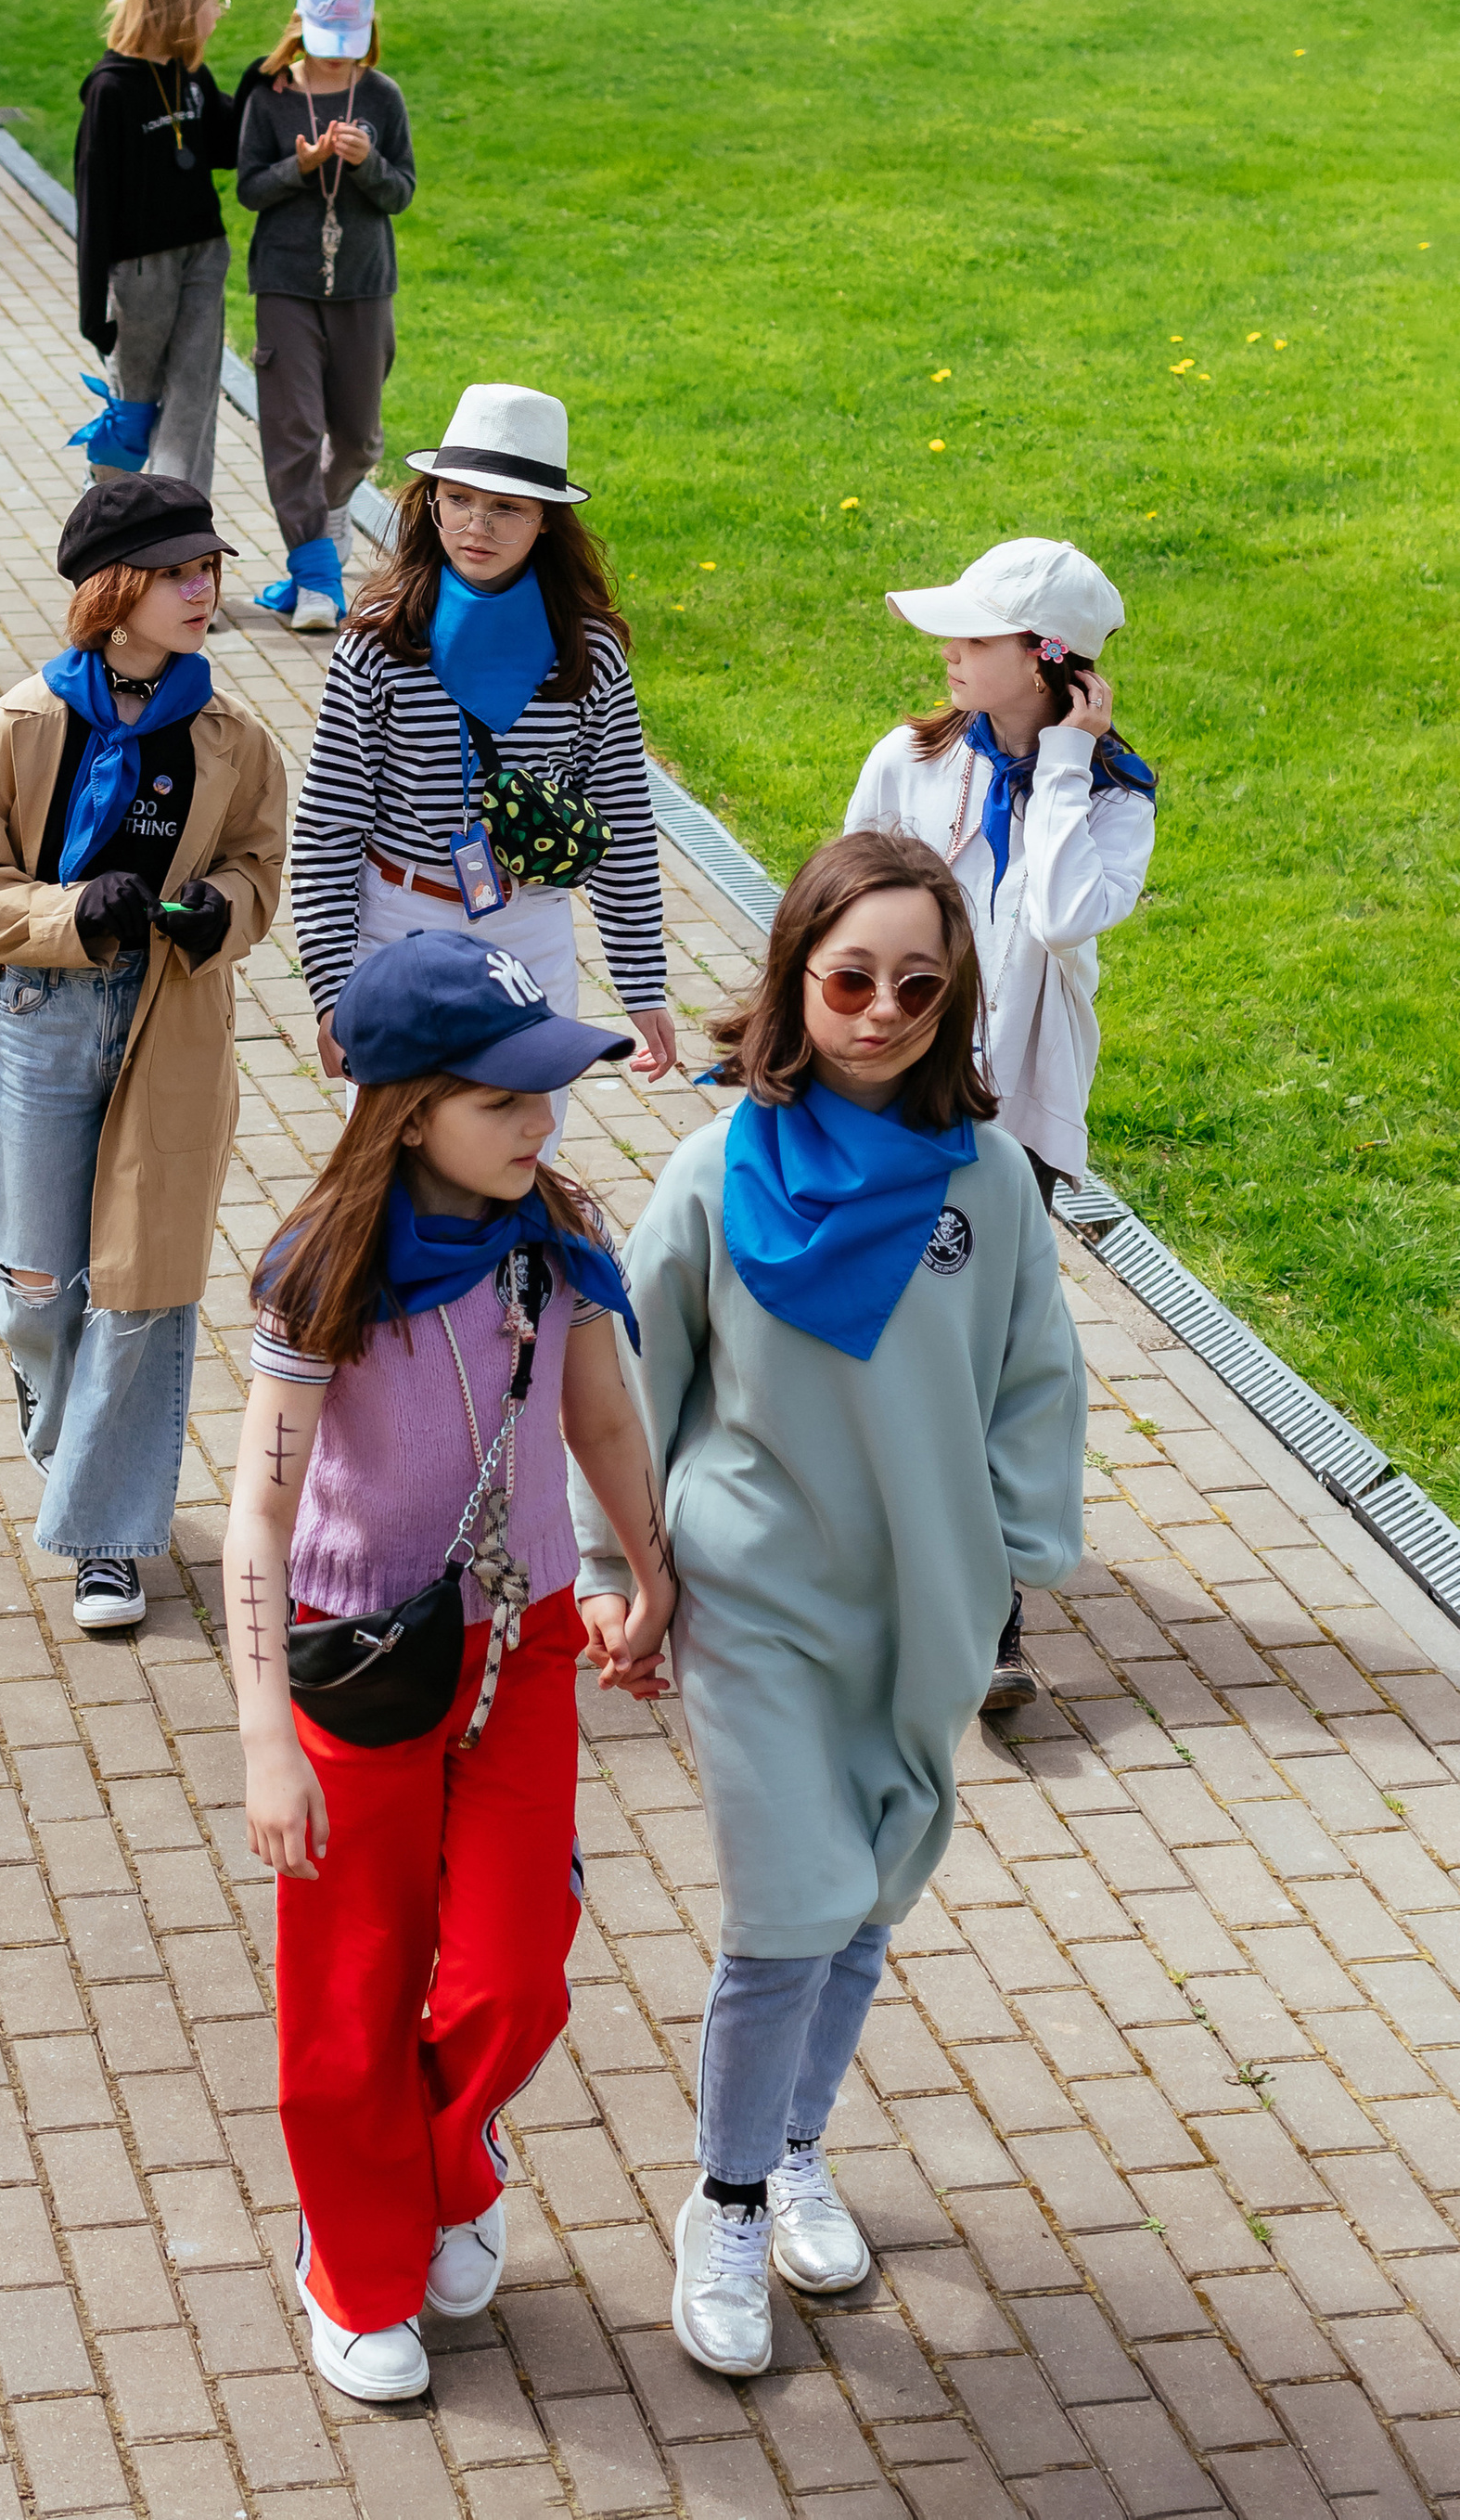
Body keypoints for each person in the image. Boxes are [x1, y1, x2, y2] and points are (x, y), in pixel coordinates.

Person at [571, 828, 1085, 2382]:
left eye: (918, 989)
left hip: (921, 1607)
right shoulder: (712, 1172)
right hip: (756, 1603)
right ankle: (725, 2201)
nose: (879, 1011)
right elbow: (631, 1384)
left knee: (864, 1895)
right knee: (789, 1904)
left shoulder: (987, 1184)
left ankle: (795, 2143)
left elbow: (1032, 1383)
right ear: (796, 978)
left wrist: (1010, 1572)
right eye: (849, 977)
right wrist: (616, 1576)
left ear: (951, 1003)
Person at [225, 928, 672, 2406]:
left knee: (511, 1974)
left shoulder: (551, 1232)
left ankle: (441, 2162)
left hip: (526, 1646)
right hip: (358, 1670)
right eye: (506, 1100)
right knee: (350, 1997)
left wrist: (646, 1568)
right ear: (410, 1105)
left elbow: (603, 1423)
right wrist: (264, 1739)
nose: (540, 1125)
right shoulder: (320, 1271)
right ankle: (354, 2266)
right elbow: (261, 1512)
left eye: (548, 1093)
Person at [0, 477, 288, 1638]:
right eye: (180, 572)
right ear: (111, 595)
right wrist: (74, 914)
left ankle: (108, 1543)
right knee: (39, 1290)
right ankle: (76, 1438)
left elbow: (257, 870)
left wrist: (219, 911)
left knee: (140, 1290)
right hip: (40, 1024)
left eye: (210, 569)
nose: (204, 589)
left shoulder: (233, 738)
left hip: (171, 1029)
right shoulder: (17, 730)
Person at [844, 534, 1153, 1711]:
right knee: (872, 1326)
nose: (947, 654)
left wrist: (1067, 764)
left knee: (981, 1353)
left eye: (973, 638)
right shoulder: (910, 759)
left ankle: (988, 1622)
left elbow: (1066, 914)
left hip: (1011, 1114)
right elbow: (836, 899)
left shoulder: (1114, 799)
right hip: (889, 1085)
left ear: (1048, 659)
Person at [290, 384, 678, 1099]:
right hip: (399, 929)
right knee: (393, 1164)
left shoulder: (589, 654)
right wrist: (330, 990)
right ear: (431, 499)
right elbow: (328, 827)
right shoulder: (378, 641)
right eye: (459, 497)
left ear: (545, 524)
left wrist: (642, 984)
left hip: (532, 930)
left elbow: (623, 821)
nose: (478, 524)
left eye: (508, 507)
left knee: (526, 1145)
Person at [236, 0, 414, 630]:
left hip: (364, 288)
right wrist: (300, 166)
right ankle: (317, 579)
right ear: (299, 28)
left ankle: (329, 518)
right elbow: (251, 188)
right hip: (285, 286)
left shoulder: (383, 97)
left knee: (361, 439)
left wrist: (368, 167)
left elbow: (403, 193)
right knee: (294, 431)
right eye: (323, 45)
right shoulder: (272, 97)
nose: (335, 61)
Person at [70, 0, 263, 498]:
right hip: (139, 270)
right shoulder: (111, 90)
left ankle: (181, 525)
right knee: (137, 398)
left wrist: (258, 76)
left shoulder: (191, 78)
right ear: (180, 6)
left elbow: (225, 148)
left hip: (203, 253)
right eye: (214, 0)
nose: (220, 11)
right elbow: (95, 204)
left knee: (194, 392)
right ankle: (108, 507)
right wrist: (92, 312)